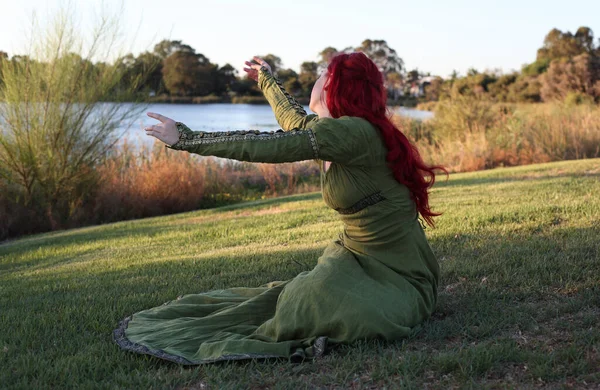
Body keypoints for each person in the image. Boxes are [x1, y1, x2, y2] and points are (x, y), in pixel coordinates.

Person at [114, 52, 446, 364]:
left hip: (398, 273)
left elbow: (269, 145)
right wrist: (267, 79)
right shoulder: (336, 130)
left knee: (307, 301)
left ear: (332, 86)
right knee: (295, 297)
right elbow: (293, 122)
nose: (317, 79)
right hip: (357, 258)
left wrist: (187, 138)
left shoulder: (354, 132)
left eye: (322, 74)